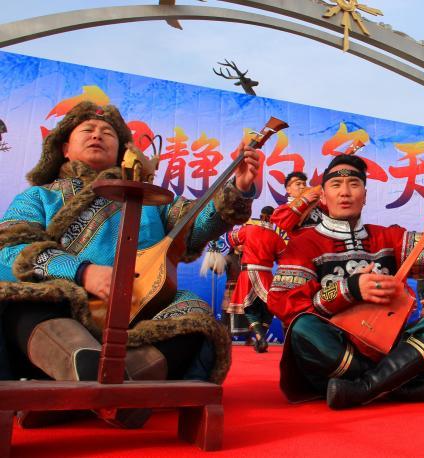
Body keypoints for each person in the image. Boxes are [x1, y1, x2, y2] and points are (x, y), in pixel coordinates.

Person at [0, 101, 259, 425]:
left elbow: (195, 226)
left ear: (122, 151)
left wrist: (239, 186)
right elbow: (11, 248)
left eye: (107, 133)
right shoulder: (39, 196)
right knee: (20, 300)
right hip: (63, 309)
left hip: (140, 312)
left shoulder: (151, 199)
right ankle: (109, 386)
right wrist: (82, 272)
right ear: (65, 148)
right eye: (88, 130)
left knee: (195, 315)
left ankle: (79, 394)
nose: (98, 135)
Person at [268, 154, 424, 409]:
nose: (345, 192)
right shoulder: (304, 244)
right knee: (303, 328)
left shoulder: (387, 238)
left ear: (365, 195)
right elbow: (285, 303)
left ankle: (364, 388)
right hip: (338, 349)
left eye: (354, 184)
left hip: (388, 344)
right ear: (322, 196)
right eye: (336, 185)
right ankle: (403, 384)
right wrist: (349, 289)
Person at [227, 206, 287, 352]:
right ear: (274, 219)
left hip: (248, 272)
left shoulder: (248, 229)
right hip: (266, 274)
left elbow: (231, 237)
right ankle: (261, 338)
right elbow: (283, 258)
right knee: (269, 308)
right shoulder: (276, 238)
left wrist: (241, 246)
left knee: (249, 306)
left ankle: (261, 338)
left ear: (261, 216)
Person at [271, 171, 324, 236]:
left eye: (304, 184)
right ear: (288, 190)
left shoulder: (316, 205)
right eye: (298, 184)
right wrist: (304, 200)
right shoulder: (282, 209)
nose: (302, 187)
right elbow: (285, 223)